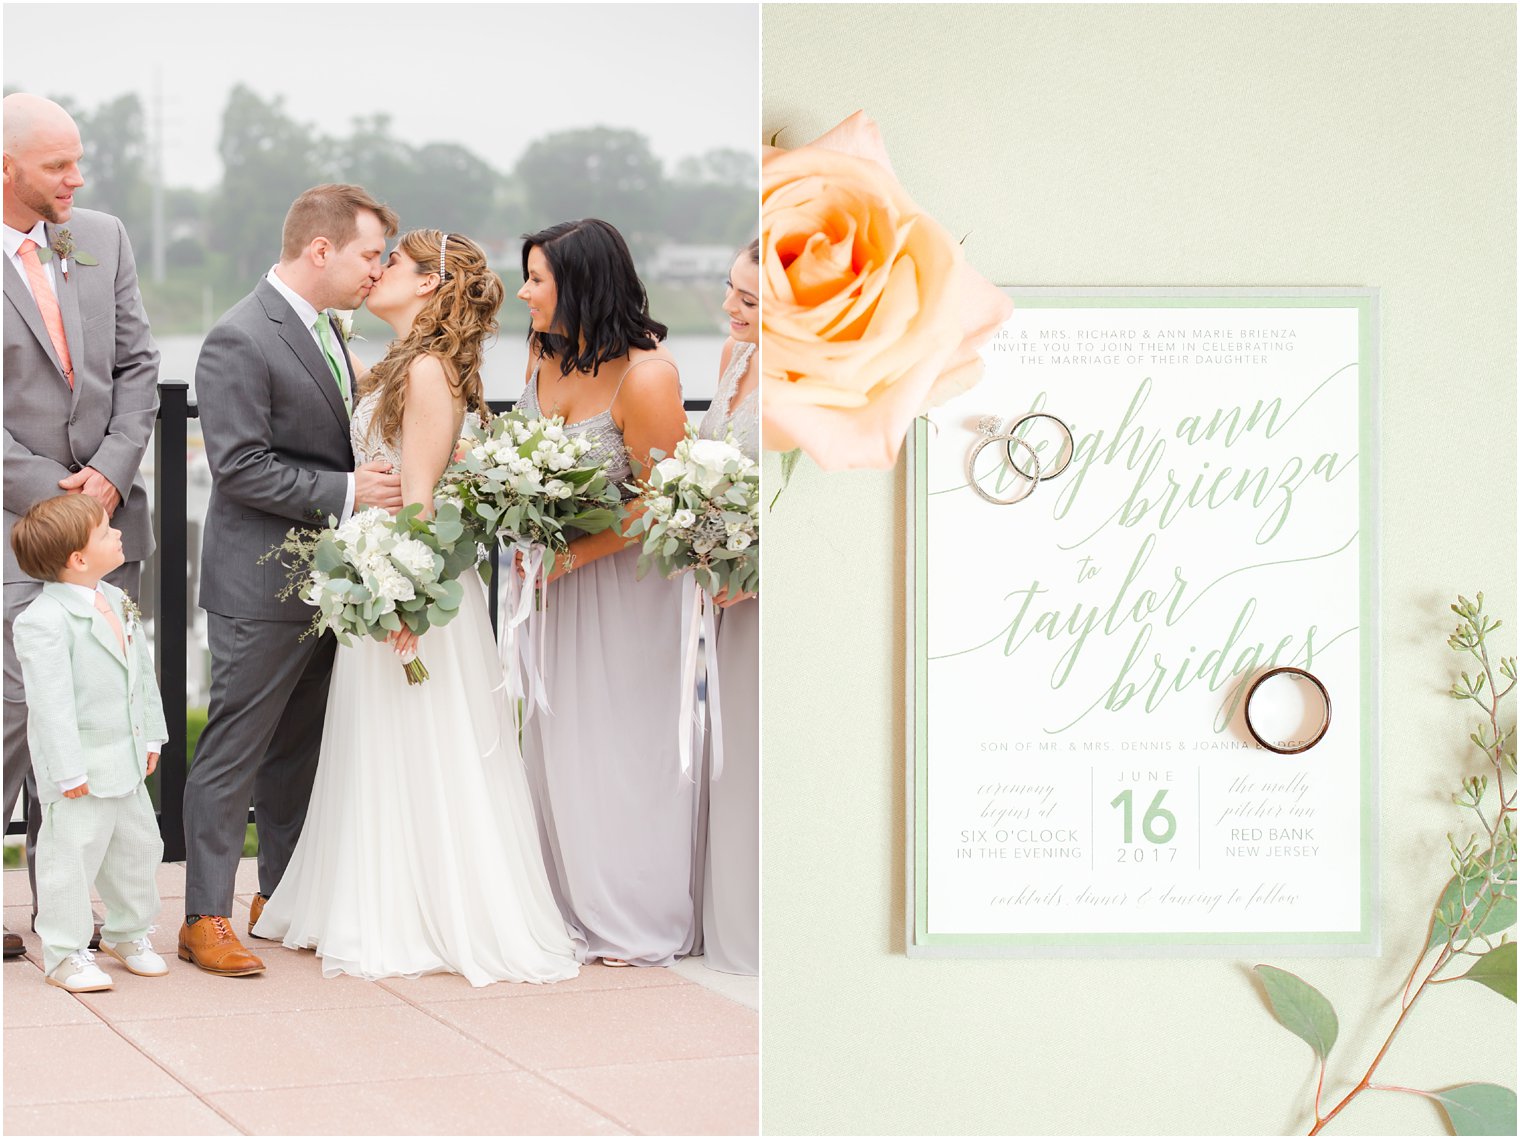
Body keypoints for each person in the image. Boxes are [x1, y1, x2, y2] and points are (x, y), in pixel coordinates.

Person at [253, 230, 579, 986]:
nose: (377, 270)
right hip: (382, 575)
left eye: (391, 263)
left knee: (419, 743)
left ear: (429, 283)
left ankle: (419, 908)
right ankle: (368, 895)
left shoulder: (429, 371)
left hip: (410, 585)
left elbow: (424, 505)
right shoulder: (399, 364)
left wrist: (399, 597)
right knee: (378, 742)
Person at [180, 184, 402, 976]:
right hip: (258, 587)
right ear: (320, 250)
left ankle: (280, 895)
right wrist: (350, 491)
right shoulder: (240, 335)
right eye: (370, 255)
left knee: (298, 752)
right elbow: (238, 468)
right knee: (235, 750)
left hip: (325, 585)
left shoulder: (330, 332)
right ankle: (206, 915)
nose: (377, 271)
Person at [2, 92, 161, 960]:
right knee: (13, 715)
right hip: (14, 526)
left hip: (104, 520)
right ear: (6, 169)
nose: (77, 177)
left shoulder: (100, 236)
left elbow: (139, 362)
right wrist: (51, 493)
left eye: (78, 159)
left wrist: (112, 468)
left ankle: (68, 916)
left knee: (101, 711)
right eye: (58, 164)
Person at [516, 218, 695, 967]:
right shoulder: (541, 356)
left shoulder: (647, 375)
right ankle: (561, 900)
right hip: (555, 584)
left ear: (580, 285)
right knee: (559, 742)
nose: (522, 293)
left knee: (620, 746)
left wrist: (576, 554)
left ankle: (633, 913)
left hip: (627, 588)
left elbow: (664, 499)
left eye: (537, 280)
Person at [10, 494, 169, 991]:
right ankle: (64, 952)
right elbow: (50, 703)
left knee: (141, 848)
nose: (118, 534)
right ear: (78, 559)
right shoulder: (42, 620)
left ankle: (128, 932)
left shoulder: (117, 599)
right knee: (71, 859)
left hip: (125, 758)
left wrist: (153, 732)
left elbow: (140, 673)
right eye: (105, 531)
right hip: (80, 769)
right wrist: (67, 771)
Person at [697, 240, 760, 976]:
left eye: (749, 301)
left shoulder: (803, 382)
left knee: (754, 748)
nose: (729, 308)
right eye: (730, 290)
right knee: (724, 751)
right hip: (719, 588)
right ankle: (728, 920)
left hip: (760, 593)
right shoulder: (730, 360)